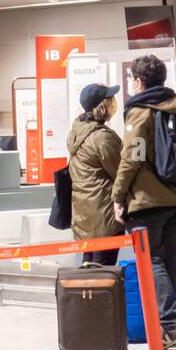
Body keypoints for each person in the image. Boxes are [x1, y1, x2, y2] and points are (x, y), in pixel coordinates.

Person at [112, 55, 176, 350]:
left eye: (132, 79)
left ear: (139, 81)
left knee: (152, 259)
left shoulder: (141, 113)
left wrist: (118, 196)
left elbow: (132, 158)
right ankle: (173, 324)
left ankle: (169, 325)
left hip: (148, 200)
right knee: (169, 257)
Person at [66, 82, 123, 267]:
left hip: (84, 215)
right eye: (111, 100)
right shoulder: (102, 137)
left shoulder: (77, 132)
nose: (114, 103)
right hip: (103, 216)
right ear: (103, 106)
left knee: (89, 268)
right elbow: (121, 172)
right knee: (103, 271)